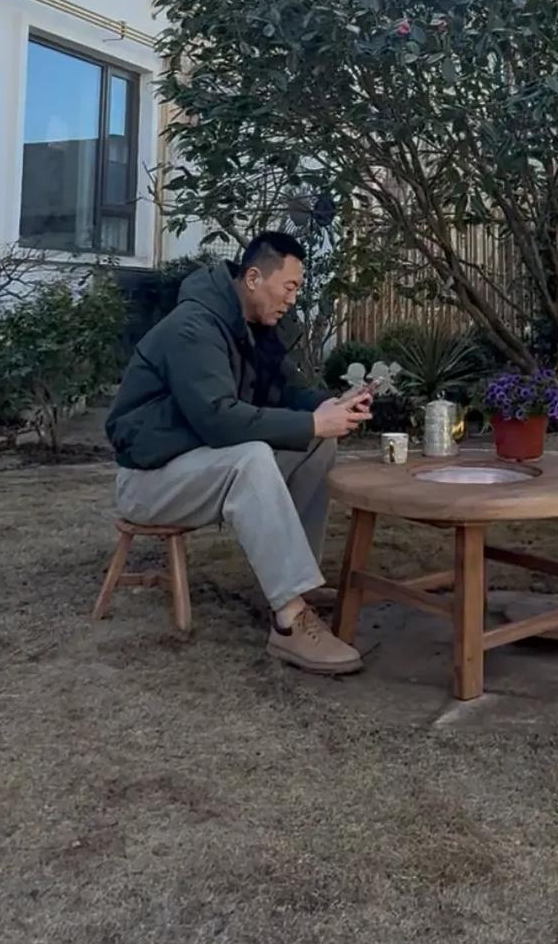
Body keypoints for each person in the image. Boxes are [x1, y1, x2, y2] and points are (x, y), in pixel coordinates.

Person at [106, 233, 372, 677]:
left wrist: (330, 406)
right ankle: (290, 623)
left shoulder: (249, 327)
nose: (292, 299)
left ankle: (294, 586)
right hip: (148, 481)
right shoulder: (194, 328)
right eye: (289, 287)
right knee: (252, 458)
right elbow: (220, 420)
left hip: (197, 464)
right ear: (253, 278)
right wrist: (311, 422)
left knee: (317, 444)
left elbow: (285, 393)